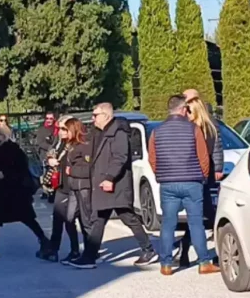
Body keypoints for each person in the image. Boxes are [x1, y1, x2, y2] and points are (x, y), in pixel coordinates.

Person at [67, 103, 158, 269]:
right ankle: (90, 256)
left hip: (116, 184)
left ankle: (148, 250)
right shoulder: (98, 132)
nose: (93, 118)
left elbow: (120, 157)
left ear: (106, 116)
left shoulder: (118, 132)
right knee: (98, 219)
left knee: (127, 217)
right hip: (102, 184)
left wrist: (110, 178)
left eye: (96, 115)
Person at [149, 95, 220, 276]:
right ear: (183, 109)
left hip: (168, 183)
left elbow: (152, 158)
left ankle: (166, 264)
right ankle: (204, 262)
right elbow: (203, 157)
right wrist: (202, 176)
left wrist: (161, 173)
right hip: (192, 182)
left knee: (168, 224)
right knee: (196, 223)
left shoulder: (157, 131)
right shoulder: (193, 129)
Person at [0, 126, 50, 260]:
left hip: (13, 192)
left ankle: (44, 240)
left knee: (26, 217)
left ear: (2, 136)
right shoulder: (1, 150)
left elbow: (20, 170)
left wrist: (3, 174)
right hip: (1, 192)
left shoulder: (13, 150)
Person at [176, 94, 224, 267]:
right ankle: (191, 249)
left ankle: (187, 248)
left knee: (202, 214)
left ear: (195, 111)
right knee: (202, 214)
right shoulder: (190, 128)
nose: (186, 114)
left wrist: (218, 168)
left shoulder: (209, 127)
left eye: (189, 111)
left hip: (204, 173)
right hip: (195, 175)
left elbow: (217, 148)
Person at [44, 117, 92, 263]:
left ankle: (88, 251)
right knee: (59, 218)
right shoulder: (61, 142)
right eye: (59, 129)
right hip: (62, 186)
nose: (61, 132)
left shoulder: (81, 144)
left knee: (79, 220)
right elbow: (51, 153)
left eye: (64, 129)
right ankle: (55, 250)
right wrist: (50, 160)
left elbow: (87, 166)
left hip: (75, 186)